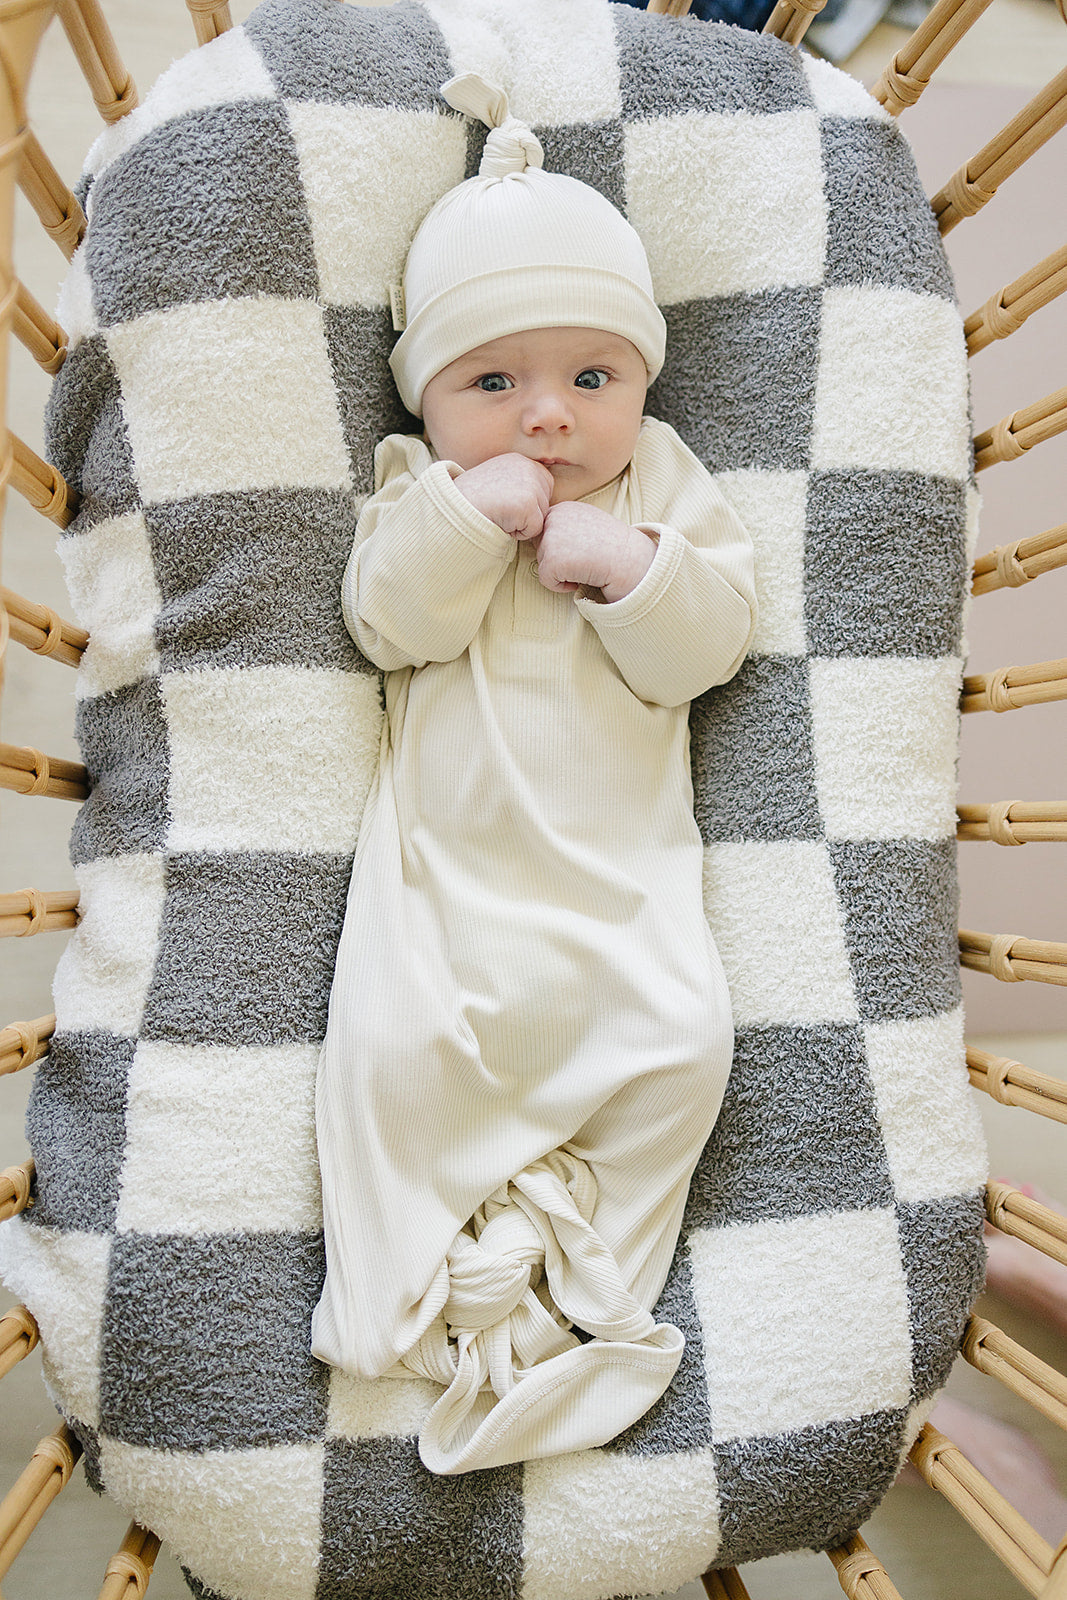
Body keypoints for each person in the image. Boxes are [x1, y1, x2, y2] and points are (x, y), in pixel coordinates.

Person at [311, 72, 758, 1476]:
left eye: (591, 378)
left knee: (687, 1050)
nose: (546, 420)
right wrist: (464, 518)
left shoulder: (663, 488)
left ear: (642, 384)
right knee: (382, 1060)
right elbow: (386, 618)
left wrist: (632, 572)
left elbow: (709, 645)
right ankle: (416, 1280)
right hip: (446, 897)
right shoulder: (411, 486)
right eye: (491, 384)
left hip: (623, 894)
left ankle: (590, 1282)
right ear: (427, 399)